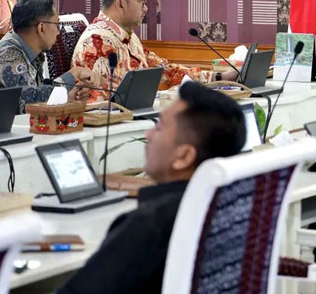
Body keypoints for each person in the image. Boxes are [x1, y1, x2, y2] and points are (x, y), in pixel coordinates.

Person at [58, 81, 246, 294]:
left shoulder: (150, 223)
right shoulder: (231, 207)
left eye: (159, 127)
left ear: (183, 156)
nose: (148, 135)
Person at [72, 0, 237, 101]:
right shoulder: (96, 41)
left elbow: (164, 70)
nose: (146, 8)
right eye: (141, 1)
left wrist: (219, 77)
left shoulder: (127, 36)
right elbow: (104, 100)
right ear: (121, 3)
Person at [0, 0, 102, 112]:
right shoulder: (8, 55)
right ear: (41, 28)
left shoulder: (29, 52)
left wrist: (68, 96)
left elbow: (36, 92)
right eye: (57, 25)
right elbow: (30, 101)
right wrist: (74, 74)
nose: (58, 33)